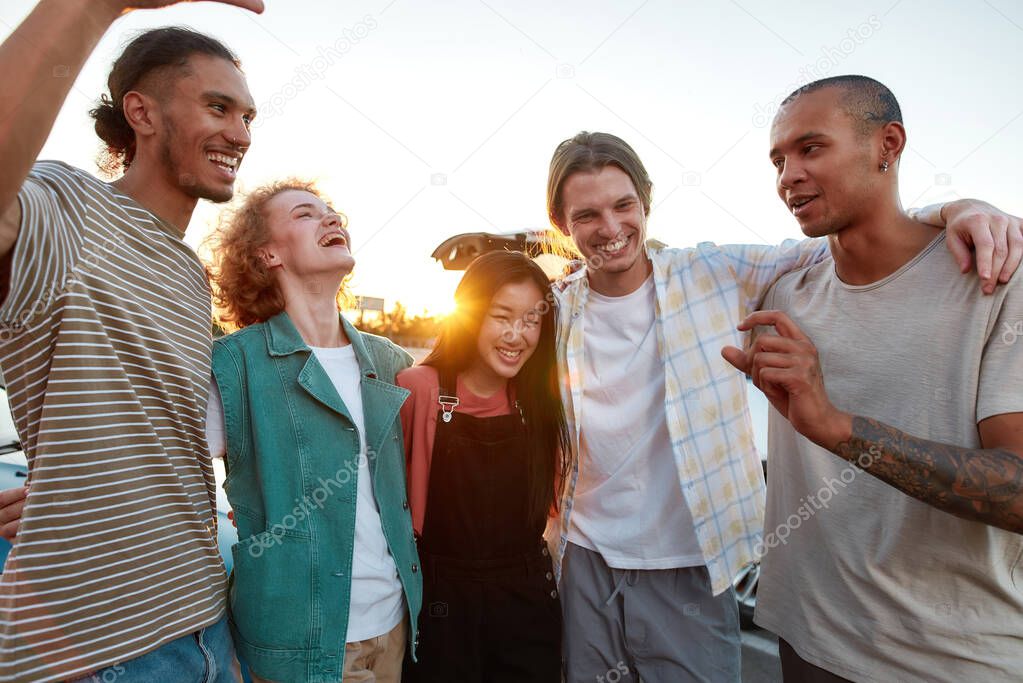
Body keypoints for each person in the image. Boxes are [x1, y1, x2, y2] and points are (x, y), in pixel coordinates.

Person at [542, 131, 1022, 683]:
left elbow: (850, 238)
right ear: (562, 224)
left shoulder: (714, 273)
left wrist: (955, 208)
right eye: (587, 215)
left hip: (692, 563)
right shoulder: (556, 308)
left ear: (645, 201)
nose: (610, 228)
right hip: (584, 559)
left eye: (623, 205)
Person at [722, 75, 1023, 682]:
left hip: (948, 657)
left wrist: (835, 427)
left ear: (888, 144)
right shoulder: (782, 293)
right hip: (804, 639)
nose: (787, 177)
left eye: (811, 148)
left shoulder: (997, 280)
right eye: (778, 160)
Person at [0, 1, 263, 681]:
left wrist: (59, 484)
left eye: (246, 116)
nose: (239, 133)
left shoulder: (187, 272)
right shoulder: (70, 207)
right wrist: (90, 7)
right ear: (142, 114)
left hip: (206, 620)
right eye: (217, 106)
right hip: (105, 649)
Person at [206, 179, 421, 682]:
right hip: (298, 643)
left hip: (394, 626)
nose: (331, 220)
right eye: (306, 215)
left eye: (332, 213)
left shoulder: (392, 362)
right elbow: (155, 468)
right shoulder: (234, 366)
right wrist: (58, 498)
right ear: (267, 255)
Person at [398, 251, 569, 682]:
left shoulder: (542, 402)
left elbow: (554, 513)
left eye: (532, 319)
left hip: (525, 602)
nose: (516, 334)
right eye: (501, 316)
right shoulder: (418, 389)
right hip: (440, 602)